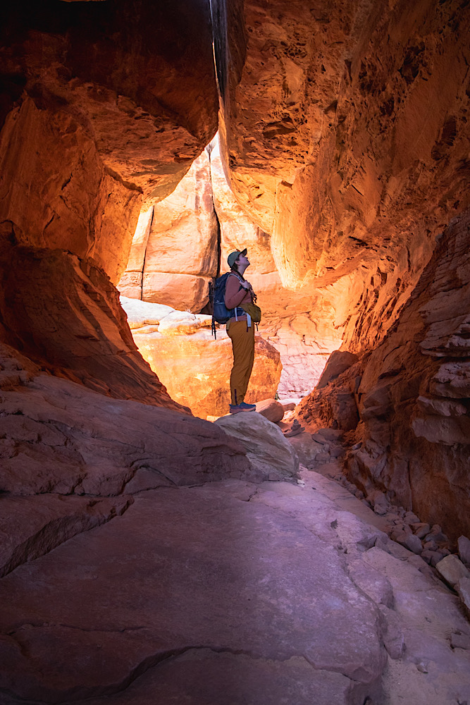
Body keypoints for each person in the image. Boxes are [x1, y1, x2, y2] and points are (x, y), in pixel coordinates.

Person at [224, 248, 257, 414]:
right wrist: (244, 289)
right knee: (241, 364)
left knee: (247, 363)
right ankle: (236, 404)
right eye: (243, 256)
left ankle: (241, 401)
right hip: (239, 325)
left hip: (246, 324)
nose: (246, 257)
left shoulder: (239, 279)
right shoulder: (233, 279)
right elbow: (229, 303)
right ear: (237, 262)